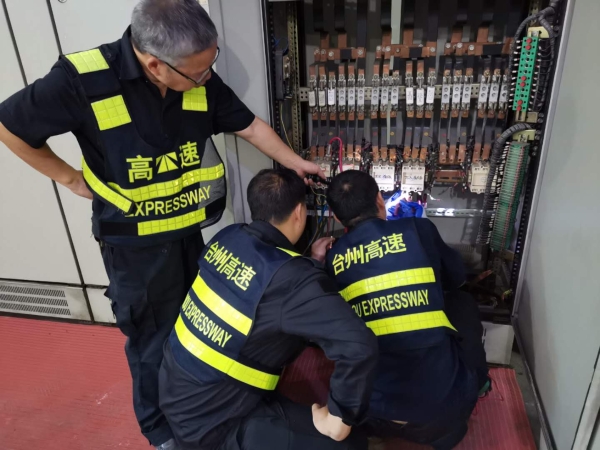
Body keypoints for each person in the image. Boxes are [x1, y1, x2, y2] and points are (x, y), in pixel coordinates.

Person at [0, 1, 323, 448]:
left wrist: (296, 163)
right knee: (151, 340)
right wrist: (70, 178)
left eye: (211, 63)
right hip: (135, 248)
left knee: (195, 328)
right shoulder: (83, 79)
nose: (208, 77)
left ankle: (200, 407)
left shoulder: (194, 74)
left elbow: (248, 126)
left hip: (186, 232)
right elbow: (11, 125)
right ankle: (161, 433)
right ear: (155, 64)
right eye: (199, 72)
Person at [158, 168, 379, 450]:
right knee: (351, 442)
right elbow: (359, 345)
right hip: (216, 424)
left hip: (175, 392)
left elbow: (262, 287)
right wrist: (338, 419)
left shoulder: (227, 237)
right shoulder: (293, 280)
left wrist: (310, 262)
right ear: (299, 212)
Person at [315, 170, 490, 450]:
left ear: (336, 217)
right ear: (379, 200)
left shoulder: (333, 259)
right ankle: (478, 384)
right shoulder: (418, 229)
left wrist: (317, 262)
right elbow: (456, 279)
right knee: (462, 302)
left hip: (370, 415)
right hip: (442, 416)